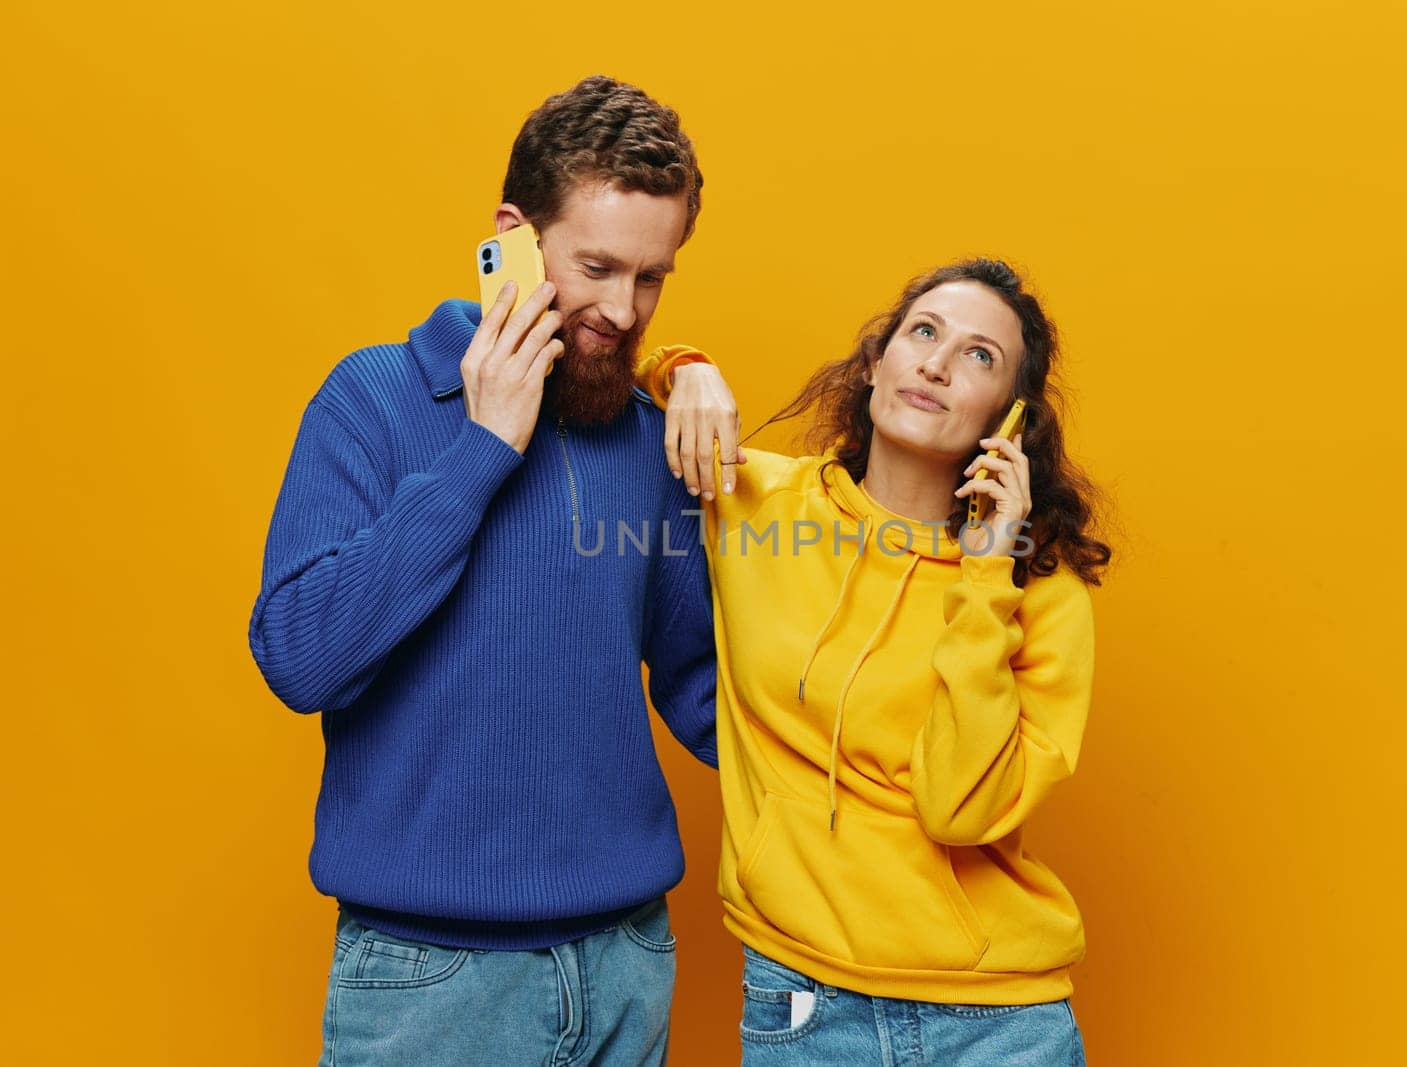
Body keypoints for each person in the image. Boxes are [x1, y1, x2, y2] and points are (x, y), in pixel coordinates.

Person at [248, 75, 743, 1065]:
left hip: (625, 962)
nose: (619, 307)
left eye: (652, 277)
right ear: (511, 236)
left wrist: (894, 765)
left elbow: (707, 692)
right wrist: (481, 450)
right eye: (596, 265)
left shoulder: (649, 437)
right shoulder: (373, 398)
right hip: (430, 980)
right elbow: (301, 659)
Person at [646, 258, 1111, 1065]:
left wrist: (985, 569)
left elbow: (958, 810)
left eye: (979, 356)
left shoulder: (1040, 591)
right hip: (803, 1003)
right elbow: (604, 385)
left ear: (1009, 420)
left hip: (999, 1022)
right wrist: (682, 366)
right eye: (923, 332)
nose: (936, 361)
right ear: (875, 362)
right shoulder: (754, 507)